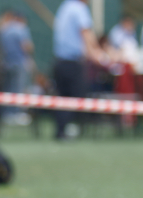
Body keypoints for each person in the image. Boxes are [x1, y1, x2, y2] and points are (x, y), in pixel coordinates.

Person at [51, 0, 104, 140]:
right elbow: (86, 34)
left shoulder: (65, 6)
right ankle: (70, 129)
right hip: (72, 63)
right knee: (76, 97)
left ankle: (61, 130)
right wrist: (99, 55)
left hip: (59, 62)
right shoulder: (79, 9)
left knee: (63, 98)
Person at [0, 10, 36, 125]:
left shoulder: (6, 29)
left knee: (9, 89)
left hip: (7, 64)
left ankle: (7, 113)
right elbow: (27, 46)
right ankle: (16, 114)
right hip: (19, 64)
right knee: (18, 89)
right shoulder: (21, 29)